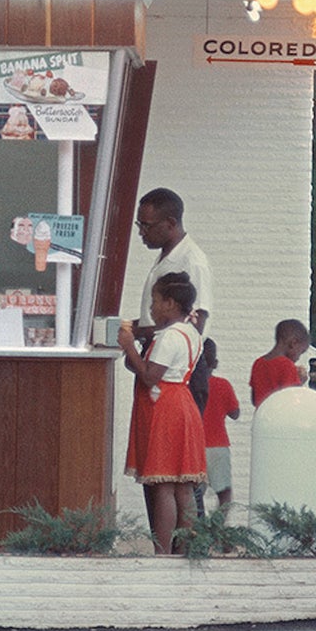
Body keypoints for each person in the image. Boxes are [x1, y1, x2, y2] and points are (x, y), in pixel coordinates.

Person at [117, 271, 207, 555]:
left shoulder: (169, 337)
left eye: (155, 301)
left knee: (164, 485)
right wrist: (135, 354)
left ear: (169, 304)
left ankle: (162, 551)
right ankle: (186, 549)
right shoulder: (191, 333)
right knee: (183, 485)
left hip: (165, 408)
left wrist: (129, 345)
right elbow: (144, 368)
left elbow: (149, 376)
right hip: (182, 403)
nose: (152, 308)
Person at [134, 187, 213, 338]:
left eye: (146, 226)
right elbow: (153, 321)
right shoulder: (166, 256)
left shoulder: (192, 262)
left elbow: (195, 326)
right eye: (139, 225)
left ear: (170, 223)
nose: (141, 232)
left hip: (171, 360)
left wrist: (135, 333)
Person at [198, 339, 242, 514]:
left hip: (195, 446)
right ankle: (218, 530)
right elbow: (235, 413)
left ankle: (196, 528)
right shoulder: (223, 385)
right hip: (218, 446)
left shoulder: (188, 386)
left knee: (194, 492)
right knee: (224, 492)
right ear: (215, 363)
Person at [250, 318, 311, 408]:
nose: (298, 358)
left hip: (262, 417)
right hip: (281, 418)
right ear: (293, 343)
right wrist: (300, 381)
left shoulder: (258, 363)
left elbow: (254, 400)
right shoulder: (287, 365)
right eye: (301, 352)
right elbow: (291, 399)